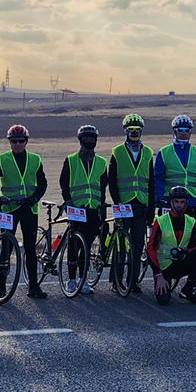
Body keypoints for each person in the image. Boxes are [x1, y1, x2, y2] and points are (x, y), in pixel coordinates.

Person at [0, 124, 49, 298]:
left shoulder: (35, 159)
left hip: (29, 209)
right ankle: (1, 285)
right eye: (14, 141)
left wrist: (35, 198)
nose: (17, 144)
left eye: (21, 141)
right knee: (6, 246)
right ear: (9, 142)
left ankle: (33, 286)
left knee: (31, 248)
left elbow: (43, 183)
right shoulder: (2, 159)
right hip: (8, 208)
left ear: (26, 141)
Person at [104, 114, 154, 294]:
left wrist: (151, 209)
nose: (134, 133)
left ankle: (132, 281)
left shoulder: (148, 152)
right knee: (121, 244)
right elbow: (112, 179)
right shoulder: (117, 151)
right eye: (131, 130)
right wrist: (117, 202)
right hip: (124, 204)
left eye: (137, 130)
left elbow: (151, 183)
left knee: (138, 243)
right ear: (125, 131)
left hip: (141, 204)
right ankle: (116, 280)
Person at [59, 124, 108, 295]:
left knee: (87, 246)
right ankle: (71, 280)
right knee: (74, 245)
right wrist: (68, 201)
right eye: (86, 138)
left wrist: (102, 208)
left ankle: (83, 279)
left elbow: (102, 188)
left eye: (92, 138)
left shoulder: (102, 163)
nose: (90, 141)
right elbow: (64, 183)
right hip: (76, 209)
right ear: (80, 140)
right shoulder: (71, 160)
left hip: (93, 210)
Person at [145, 185, 196, 304]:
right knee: (163, 301)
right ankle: (163, 281)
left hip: (182, 261)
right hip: (165, 267)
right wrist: (158, 274)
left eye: (182, 202)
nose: (179, 205)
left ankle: (187, 289)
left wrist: (189, 252)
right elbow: (150, 248)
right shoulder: (160, 221)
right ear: (170, 202)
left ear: (186, 203)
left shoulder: (190, 221)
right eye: (176, 201)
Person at [152, 114, 196, 216]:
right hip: (169, 201)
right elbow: (158, 178)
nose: (183, 133)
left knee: (190, 231)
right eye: (180, 130)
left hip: (191, 201)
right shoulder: (164, 152)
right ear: (174, 131)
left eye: (187, 130)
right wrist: (160, 198)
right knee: (167, 231)